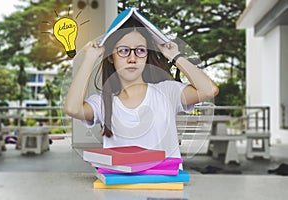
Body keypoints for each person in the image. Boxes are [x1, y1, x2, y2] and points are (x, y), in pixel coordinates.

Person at [64, 10, 219, 161]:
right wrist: (89, 59)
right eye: (124, 50)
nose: (133, 58)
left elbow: (209, 90)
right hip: (119, 185)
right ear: (111, 57)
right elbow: (73, 109)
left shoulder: (167, 91)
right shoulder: (102, 102)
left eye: (140, 50)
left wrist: (175, 56)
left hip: (165, 184)